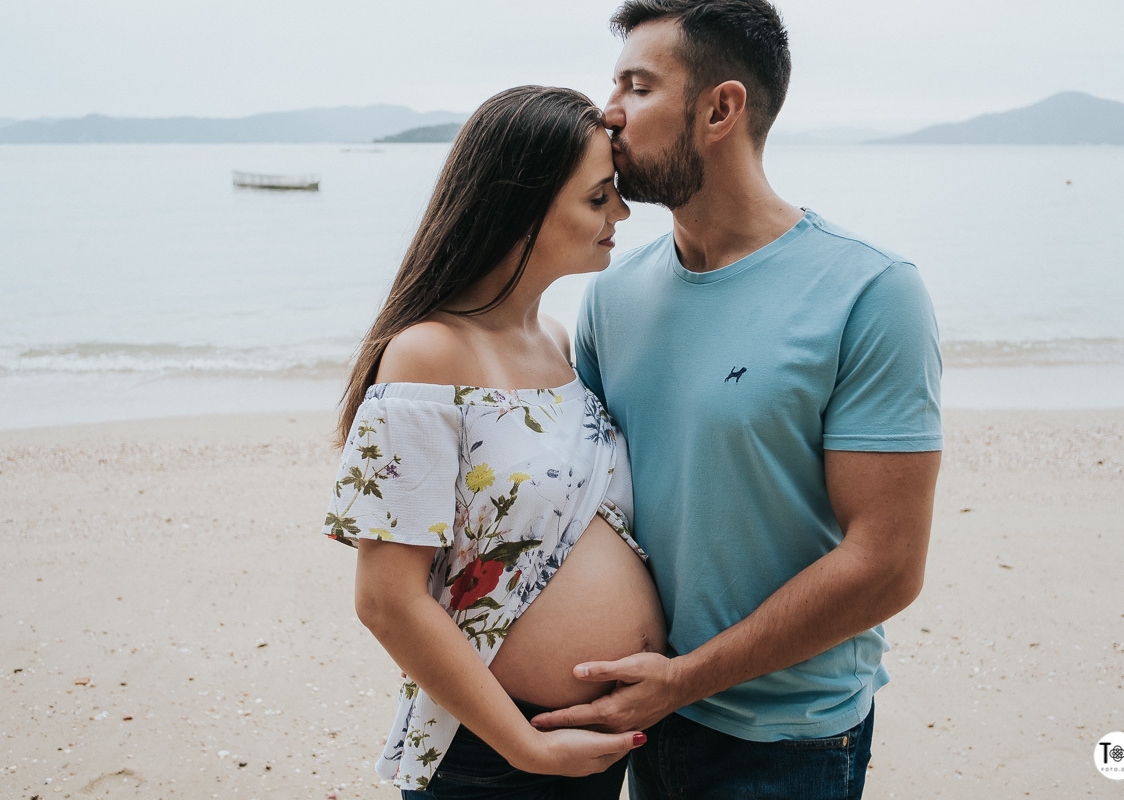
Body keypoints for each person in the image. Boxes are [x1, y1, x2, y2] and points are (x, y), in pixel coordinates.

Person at [528, 3, 944, 798]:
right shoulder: (612, 298)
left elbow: (887, 563)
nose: (605, 114)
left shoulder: (870, 291)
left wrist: (684, 678)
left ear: (720, 108)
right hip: (637, 717)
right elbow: (584, 500)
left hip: (788, 737)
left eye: (637, 87)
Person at [320, 85, 667, 798]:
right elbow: (386, 600)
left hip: (598, 747)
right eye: (599, 197)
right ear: (524, 205)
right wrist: (525, 749)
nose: (622, 214)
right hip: (500, 757)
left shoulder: (556, 341)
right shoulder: (426, 354)